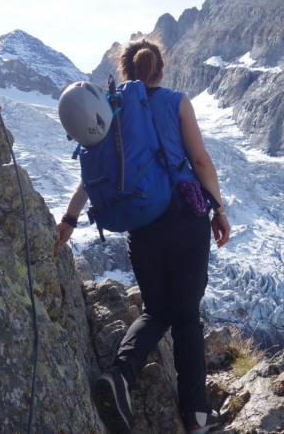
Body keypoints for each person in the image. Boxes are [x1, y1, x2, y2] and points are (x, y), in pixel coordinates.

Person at [54, 39, 230, 433]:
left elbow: (94, 175)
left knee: (156, 310)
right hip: (184, 218)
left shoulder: (112, 111)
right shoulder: (176, 102)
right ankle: (197, 417)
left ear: (125, 72)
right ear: (161, 69)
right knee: (186, 316)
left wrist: (68, 218)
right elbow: (200, 160)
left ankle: (118, 376)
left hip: (142, 225)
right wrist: (219, 209)